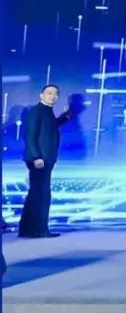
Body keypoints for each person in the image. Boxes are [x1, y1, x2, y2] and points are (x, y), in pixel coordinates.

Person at [19, 84, 81, 238]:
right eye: (49, 93)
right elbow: (30, 135)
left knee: (37, 193)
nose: (53, 96)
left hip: (45, 158)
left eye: (55, 94)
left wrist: (66, 117)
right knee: (41, 194)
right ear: (41, 95)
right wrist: (36, 157)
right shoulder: (37, 111)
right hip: (40, 159)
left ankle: (29, 229)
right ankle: (39, 230)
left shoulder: (46, 111)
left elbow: (50, 127)